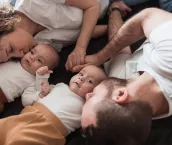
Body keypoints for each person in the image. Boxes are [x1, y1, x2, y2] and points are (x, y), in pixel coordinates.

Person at [80, 7, 172, 145]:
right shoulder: (168, 58)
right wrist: (99, 57)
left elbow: (118, 48)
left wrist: (115, 10)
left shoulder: (128, 114)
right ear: (121, 95)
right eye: (91, 97)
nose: (86, 95)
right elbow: (148, 15)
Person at [0, 65, 106, 145]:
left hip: (47, 130)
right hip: (26, 116)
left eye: (90, 81)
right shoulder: (59, 86)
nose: (81, 78)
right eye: (81, 74)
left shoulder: (87, 106)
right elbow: (34, 94)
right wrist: (41, 79)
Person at [0, 0, 107, 69]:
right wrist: (111, 25)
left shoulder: (33, 2)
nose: (21, 55)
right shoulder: (39, 45)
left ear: (3, 24)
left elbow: (93, 5)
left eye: (10, 50)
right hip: (107, 11)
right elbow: (83, 33)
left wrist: (80, 47)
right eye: (12, 58)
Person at [0, 44, 59, 113]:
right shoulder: (13, 58)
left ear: (45, 70)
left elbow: (26, 101)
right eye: (32, 52)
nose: (32, 57)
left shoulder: (33, 81)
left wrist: (40, 94)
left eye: (39, 60)